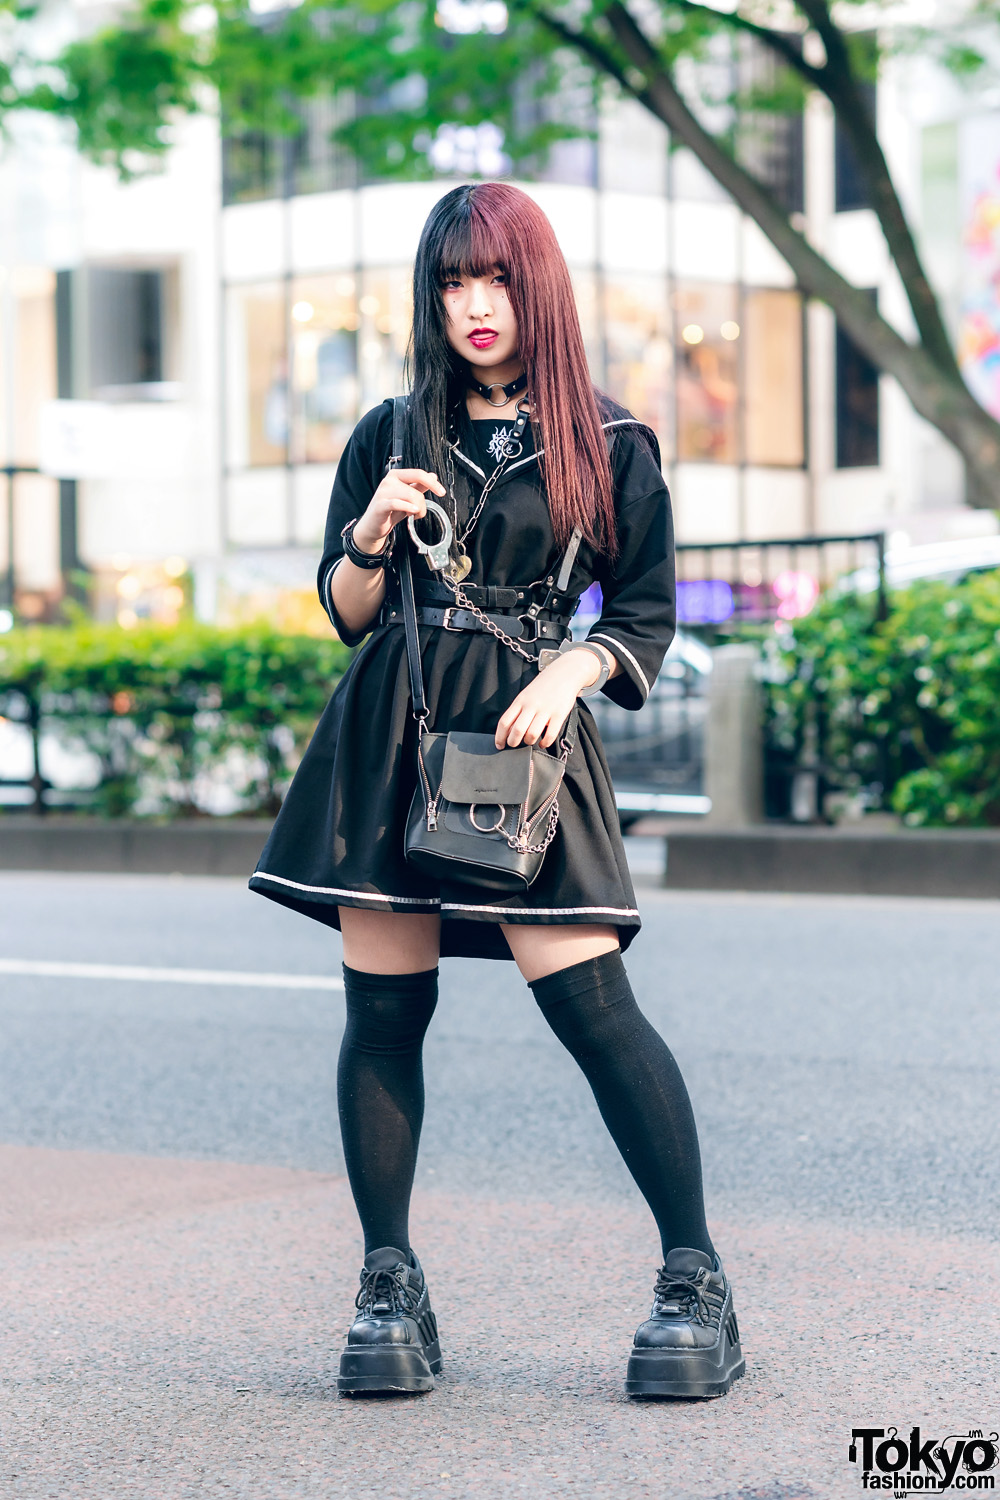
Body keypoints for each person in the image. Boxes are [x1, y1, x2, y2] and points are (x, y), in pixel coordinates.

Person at [250, 182, 744, 1401]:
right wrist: (367, 536)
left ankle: (695, 1278)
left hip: (526, 737)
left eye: (496, 280)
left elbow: (640, 615)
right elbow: (347, 612)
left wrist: (576, 667)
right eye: (450, 284)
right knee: (382, 1016)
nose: (474, 306)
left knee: (593, 1009)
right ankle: (387, 1279)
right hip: (391, 730)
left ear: (538, 287)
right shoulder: (388, 429)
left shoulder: (611, 443)